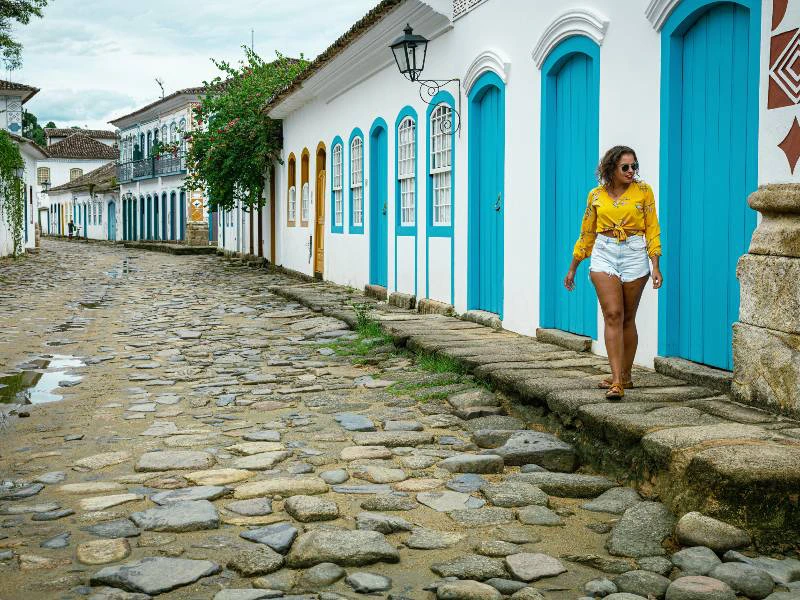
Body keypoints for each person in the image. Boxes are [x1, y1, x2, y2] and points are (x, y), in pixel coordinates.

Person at [563, 146, 662, 399]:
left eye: (634, 166)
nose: (631, 171)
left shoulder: (643, 191)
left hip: (634, 252)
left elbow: (652, 228)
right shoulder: (595, 195)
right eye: (625, 167)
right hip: (604, 251)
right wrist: (574, 266)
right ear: (611, 169)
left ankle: (626, 377)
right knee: (613, 313)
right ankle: (616, 380)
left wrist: (655, 265)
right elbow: (586, 232)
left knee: (628, 317)